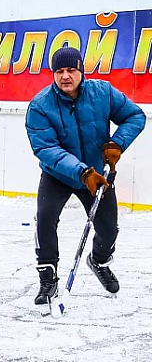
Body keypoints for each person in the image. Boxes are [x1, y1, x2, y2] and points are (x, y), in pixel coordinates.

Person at [25, 46, 145, 306]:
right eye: (59, 71)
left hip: (97, 174)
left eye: (71, 70)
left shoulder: (103, 93)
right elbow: (45, 148)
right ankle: (48, 277)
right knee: (45, 219)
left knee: (108, 229)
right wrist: (80, 171)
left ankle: (99, 261)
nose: (65, 76)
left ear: (81, 71)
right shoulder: (40, 105)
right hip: (59, 174)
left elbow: (135, 116)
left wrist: (116, 145)